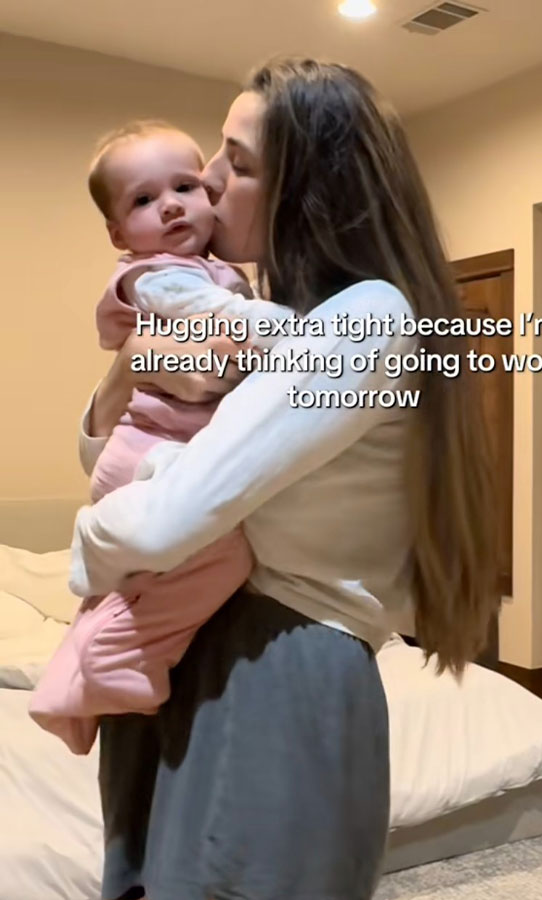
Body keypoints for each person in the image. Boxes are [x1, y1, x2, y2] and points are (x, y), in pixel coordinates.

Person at [69, 57, 500, 900]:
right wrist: (126, 374)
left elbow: (157, 521)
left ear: (308, 192)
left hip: (276, 665)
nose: (206, 180)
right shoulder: (289, 321)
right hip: (208, 651)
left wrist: (88, 541)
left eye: (236, 162)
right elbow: (117, 453)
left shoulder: (364, 317)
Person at [30, 120, 296, 755]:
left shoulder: (210, 270)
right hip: (150, 454)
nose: (172, 205)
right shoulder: (159, 276)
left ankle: (74, 678)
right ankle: (120, 656)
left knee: (133, 585)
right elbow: (219, 331)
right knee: (224, 556)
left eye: (184, 186)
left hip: (151, 451)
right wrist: (298, 330)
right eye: (145, 199)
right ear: (118, 233)